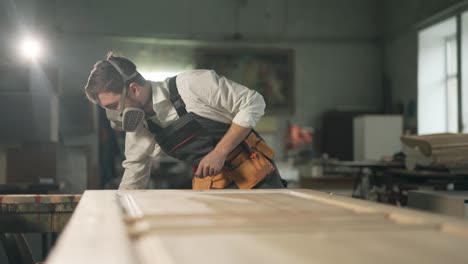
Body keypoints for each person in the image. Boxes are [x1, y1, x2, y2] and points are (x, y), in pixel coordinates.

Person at [84, 53, 286, 190]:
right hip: (216, 190)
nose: (115, 115)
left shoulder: (191, 85)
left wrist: (219, 152)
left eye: (113, 106)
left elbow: (254, 102)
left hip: (257, 179)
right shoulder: (142, 127)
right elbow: (134, 176)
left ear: (134, 89)